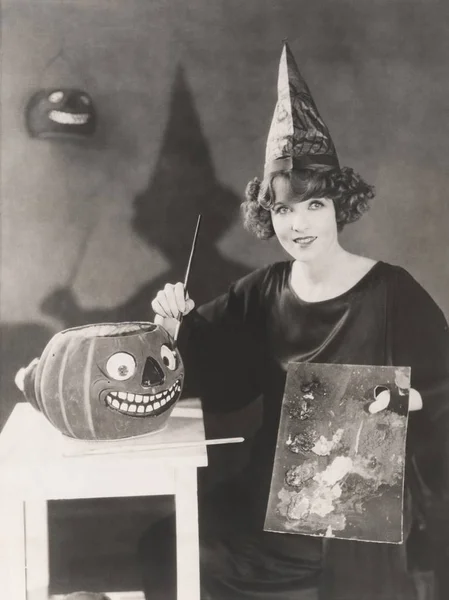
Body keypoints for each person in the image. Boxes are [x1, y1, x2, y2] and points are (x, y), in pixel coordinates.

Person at [142, 42, 449, 599]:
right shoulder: (263, 290)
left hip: (356, 514)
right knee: (170, 542)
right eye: (283, 208)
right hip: (268, 497)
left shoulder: (392, 290)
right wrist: (176, 325)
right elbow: (215, 370)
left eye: (314, 205)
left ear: (340, 206)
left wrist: (407, 401)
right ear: (267, 215)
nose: (298, 223)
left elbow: (446, 385)